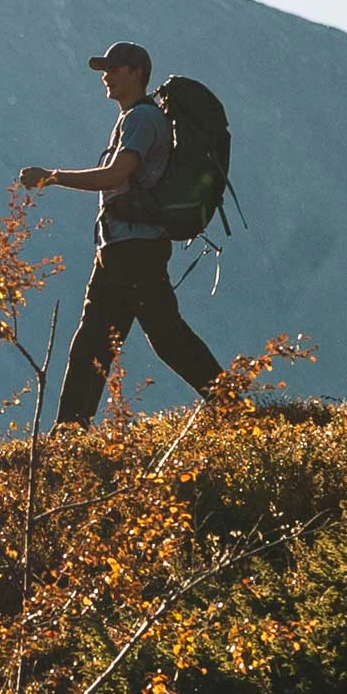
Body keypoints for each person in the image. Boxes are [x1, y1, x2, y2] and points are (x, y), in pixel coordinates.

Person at [21, 41, 223, 426]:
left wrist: (52, 177)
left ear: (137, 73)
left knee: (163, 336)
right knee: (93, 344)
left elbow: (118, 174)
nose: (106, 76)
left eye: (114, 68)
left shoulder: (141, 120)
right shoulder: (136, 118)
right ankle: (69, 434)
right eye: (104, 69)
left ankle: (234, 406)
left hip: (135, 248)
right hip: (119, 248)